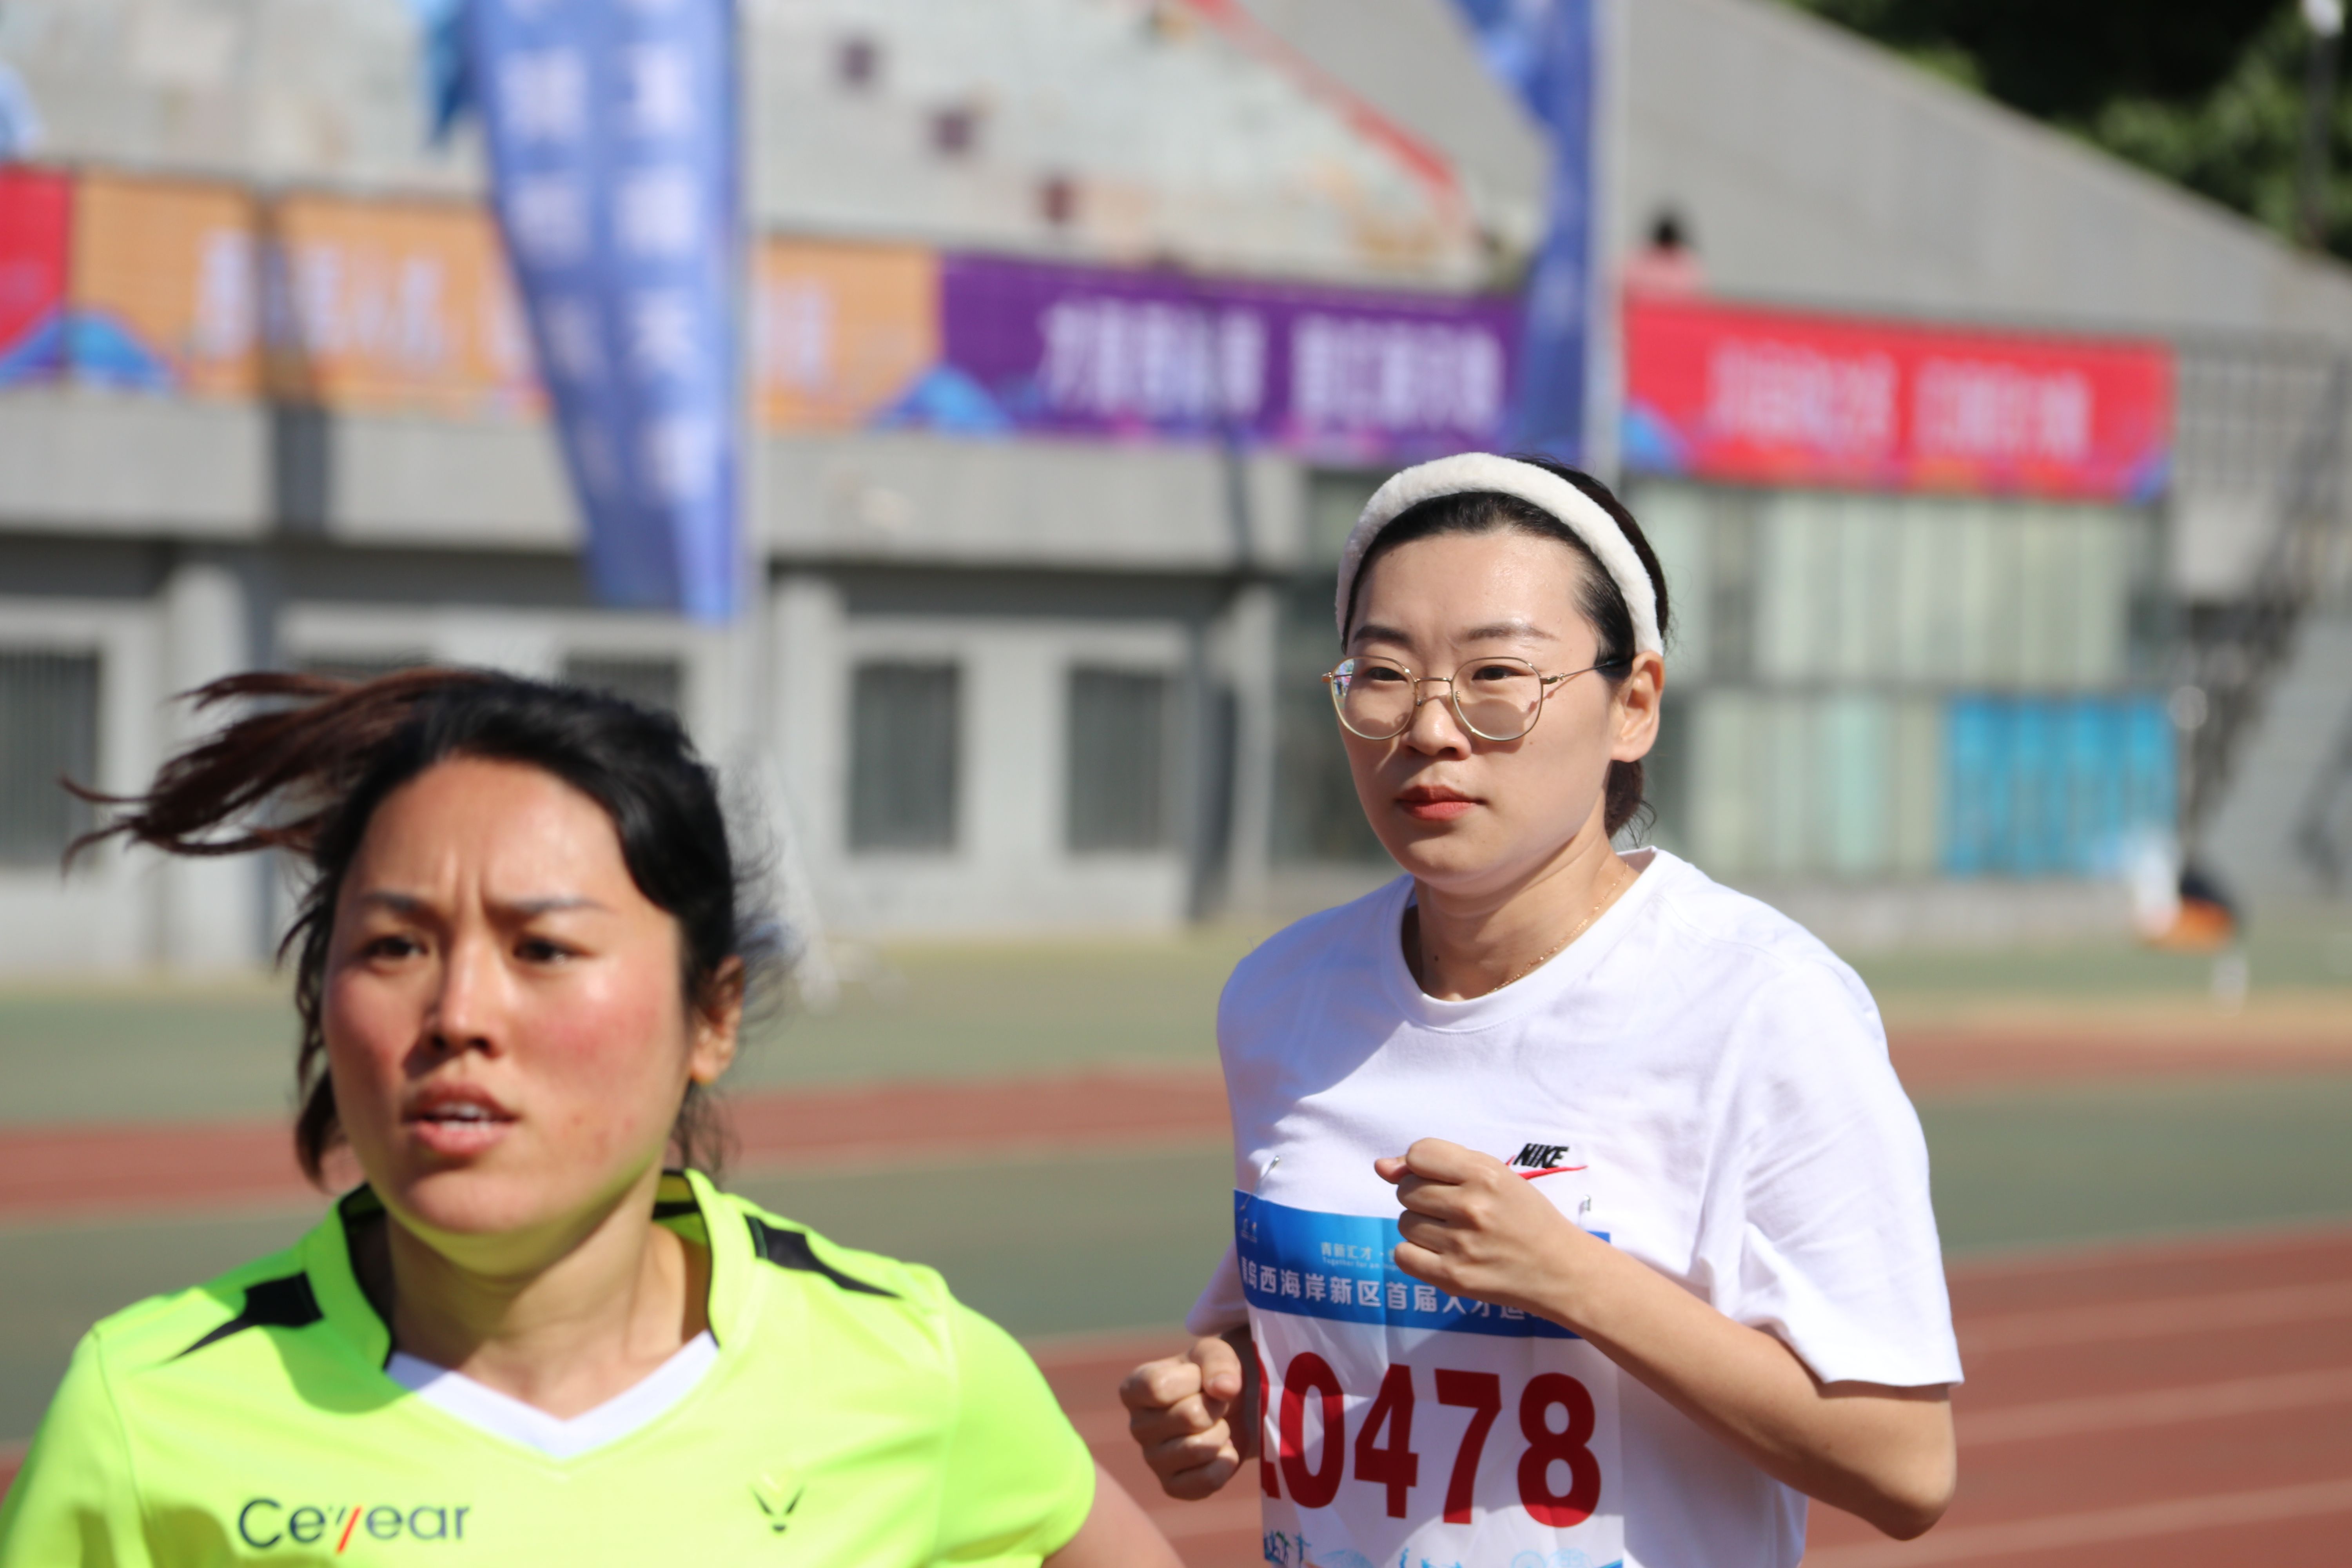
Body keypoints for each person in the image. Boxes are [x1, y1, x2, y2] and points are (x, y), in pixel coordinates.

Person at [0, 669, 1179, 1568]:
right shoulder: (145, 1415)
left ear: (711, 1016)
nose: (458, 1015)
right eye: (396, 945)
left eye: (544, 948)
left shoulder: (916, 1372)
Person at [1120, 455, 1959, 1568]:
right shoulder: (1282, 998)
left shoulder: (1763, 1007)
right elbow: (1294, 1323)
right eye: (1384, 674)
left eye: (1497, 674)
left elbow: (1904, 1465)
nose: (1430, 729)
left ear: (1634, 705)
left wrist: (1572, 1278)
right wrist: (1223, 1387)